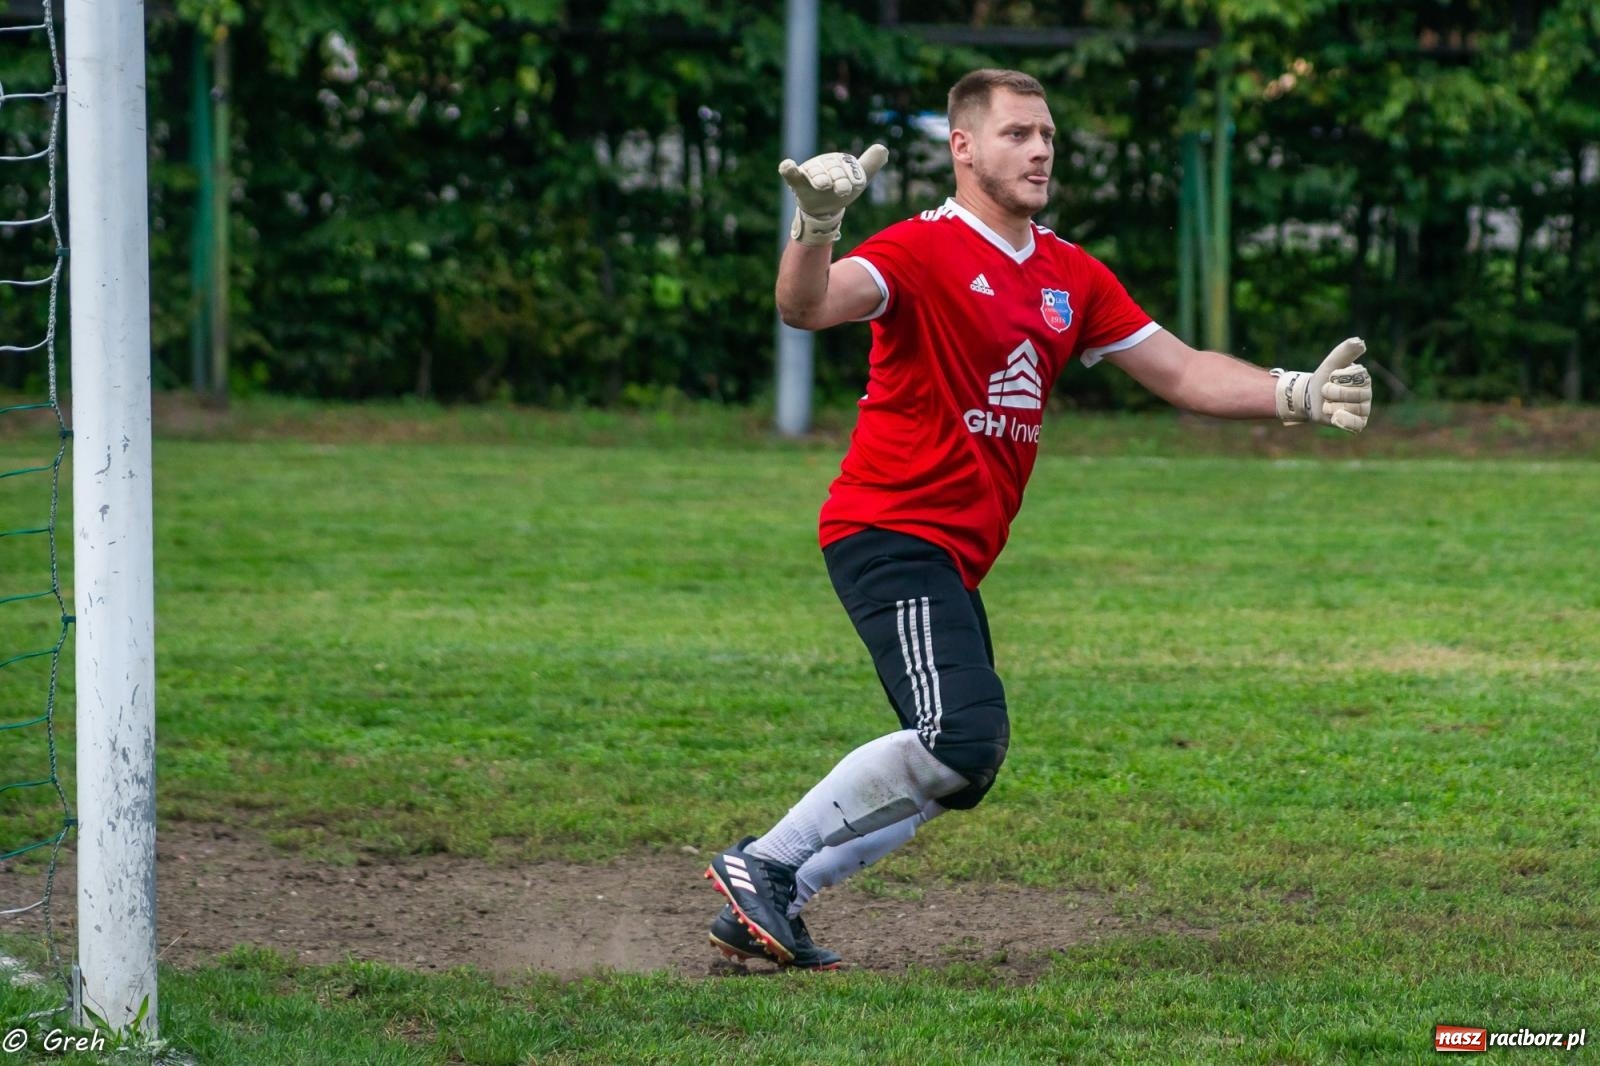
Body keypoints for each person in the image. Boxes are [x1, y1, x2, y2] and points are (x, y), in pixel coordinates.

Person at [703, 68, 1372, 970]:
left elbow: (1180, 372)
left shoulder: (1068, 273)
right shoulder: (917, 250)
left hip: (949, 554)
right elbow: (805, 305)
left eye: (1048, 133)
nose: (1042, 148)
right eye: (1018, 133)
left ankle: (772, 896)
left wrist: (1293, 392)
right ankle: (768, 867)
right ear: (964, 147)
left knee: (965, 765)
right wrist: (817, 226)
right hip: (890, 531)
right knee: (960, 736)